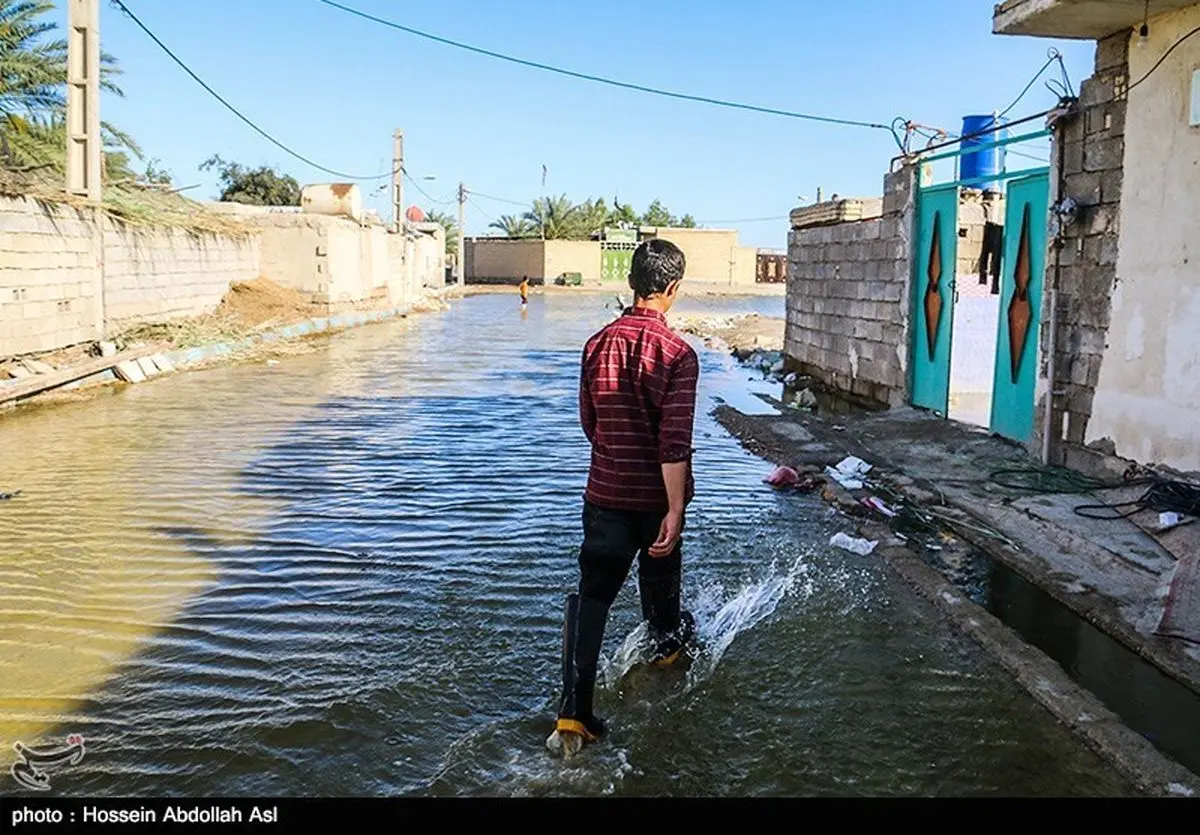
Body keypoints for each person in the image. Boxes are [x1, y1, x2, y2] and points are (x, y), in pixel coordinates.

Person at [550, 238, 699, 753]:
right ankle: (665, 657)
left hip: (605, 493)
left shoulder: (595, 344)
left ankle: (574, 714)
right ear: (673, 289)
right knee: (660, 584)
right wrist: (675, 508)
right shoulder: (679, 354)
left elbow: (590, 423)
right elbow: (673, 442)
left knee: (593, 594)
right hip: (656, 500)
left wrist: (617, 455)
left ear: (633, 283)